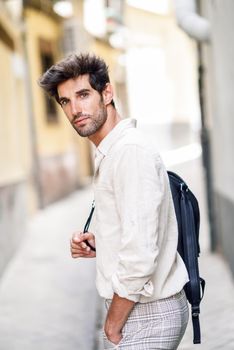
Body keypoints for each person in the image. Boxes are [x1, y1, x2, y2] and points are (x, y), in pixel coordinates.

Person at [39, 53, 189, 349]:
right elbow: (138, 230)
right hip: (137, 309)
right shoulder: (113, 151)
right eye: (65, 101)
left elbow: (141, 253)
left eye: (83, 95)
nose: (75, 109)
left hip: (146, 314)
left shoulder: (129, 152)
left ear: (107, 93)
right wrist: (103, 241)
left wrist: (112, 325)